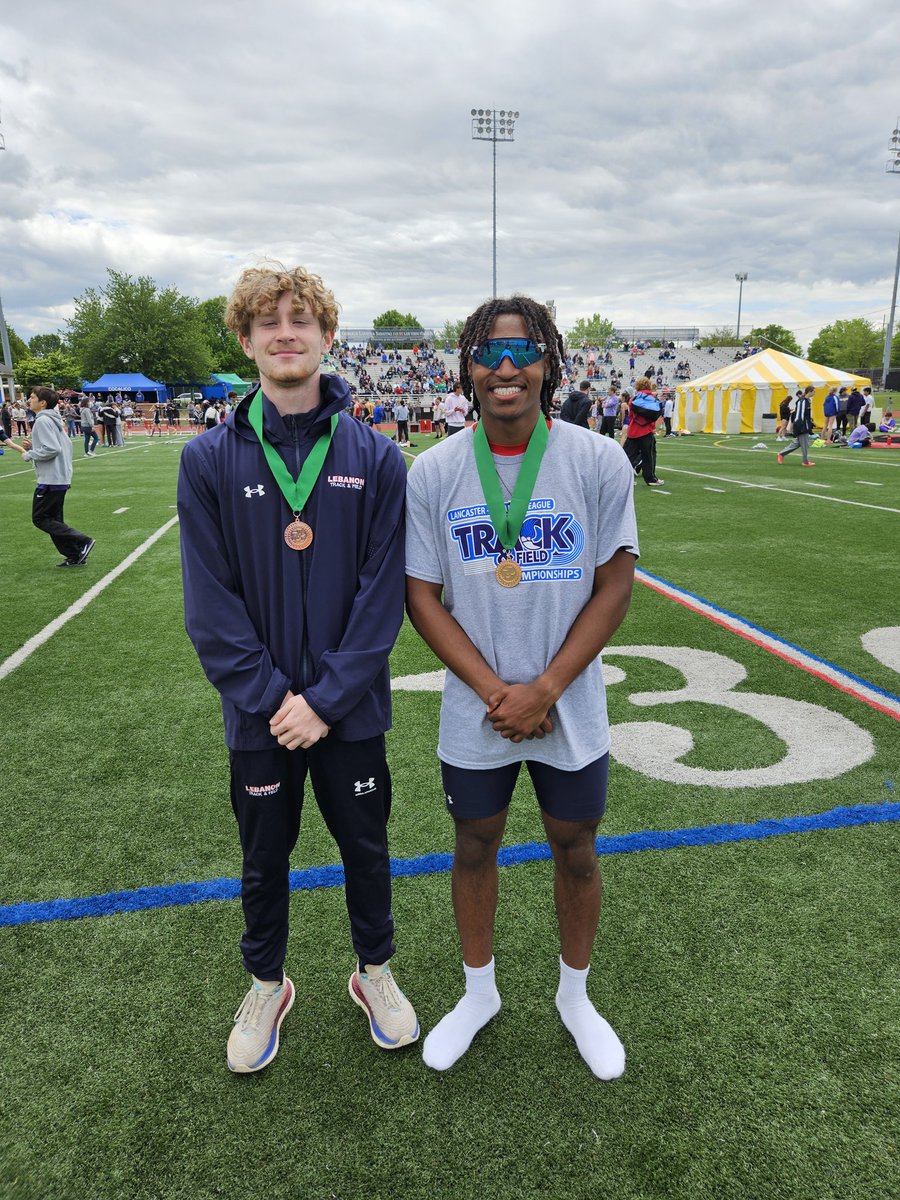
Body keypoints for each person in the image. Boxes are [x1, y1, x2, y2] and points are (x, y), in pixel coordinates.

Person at [177, 263, 418, 1075]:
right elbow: (211, 609)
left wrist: (326, 700)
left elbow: (382, 599)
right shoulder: (207, 459)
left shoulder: (380, 459)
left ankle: (374, 973)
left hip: (349, 713)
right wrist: (278, 700)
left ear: (326, 336)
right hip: (260, 716)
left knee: (366, 847)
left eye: (301, 320)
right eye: (269, 322)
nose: (286, 333)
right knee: (262, 858)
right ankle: (266, 984)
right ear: (245, 341)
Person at [405, 295, 638, 1079]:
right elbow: (421, 596)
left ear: (550, 363)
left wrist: (546, 686)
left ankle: (576, 996)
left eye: (523, 352)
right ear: (468, 369)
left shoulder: (597, 460)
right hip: (479, 708)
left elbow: (613, 586)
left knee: (575, 847)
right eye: (489, 355)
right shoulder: (434, 469)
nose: (506, 370)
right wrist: (498, 692)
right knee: (474, 845)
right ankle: (479, 993)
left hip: (568, 703)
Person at [3, 387, 95, 567]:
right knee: (54, 520)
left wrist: (30, 455)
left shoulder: (43, 420)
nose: (29, 400)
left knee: (40, 519)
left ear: (43, 402)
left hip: (51, 479)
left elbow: (52, 449)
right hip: (59, 477)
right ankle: (74, 555)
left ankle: (82, 541)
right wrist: (34, 448)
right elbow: (62, 446)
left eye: (32, 397)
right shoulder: (53, 420)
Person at [623, 377, 664, 486]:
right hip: (646, 431)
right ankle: (650, 479)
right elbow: (655, 414)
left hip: (633, 431)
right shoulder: (652, 397)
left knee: (626, 456)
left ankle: (618, 478)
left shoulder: (633, 399)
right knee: (648, 456)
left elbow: (631, 415)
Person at [777, 385, 815, 466]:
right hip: (801, 425)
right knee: (805, 443)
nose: (814, 393)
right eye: (814, 391)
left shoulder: (805, 401)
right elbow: (800, 415)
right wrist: (802, 426)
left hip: (802, 424)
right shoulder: (803, 401)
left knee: (797, 443)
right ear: (810, 391)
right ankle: (805, 461)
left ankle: (781, 454)